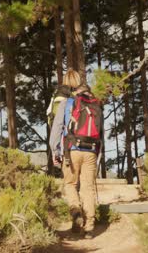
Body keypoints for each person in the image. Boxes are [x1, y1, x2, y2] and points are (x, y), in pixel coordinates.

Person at [49, 69, 102, 239]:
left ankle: (75, 210)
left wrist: (55, 151)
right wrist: (97, 153)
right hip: (91, 150)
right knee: (87, 188)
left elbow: (56, 130)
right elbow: (101, 132)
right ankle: (89, 227)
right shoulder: (96, 104)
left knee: (70, 184)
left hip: (71, 150)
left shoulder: (67, 103)